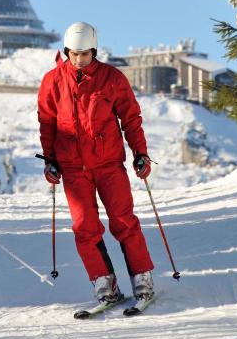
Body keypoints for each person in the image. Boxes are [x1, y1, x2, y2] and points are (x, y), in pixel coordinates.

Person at [37, 21, 155, 312]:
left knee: (123, 221)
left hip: (108, 164)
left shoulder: (112, 78)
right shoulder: (53, 81)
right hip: (73, 167)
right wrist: (50, 159)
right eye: (74, 54)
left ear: (94, 51)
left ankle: (143, 281)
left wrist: (140, 153)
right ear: (67, 51)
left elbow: (131, 118)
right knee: (84, 228)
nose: (79, 60)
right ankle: (105, 285)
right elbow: (47, 123)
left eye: (85, 54)